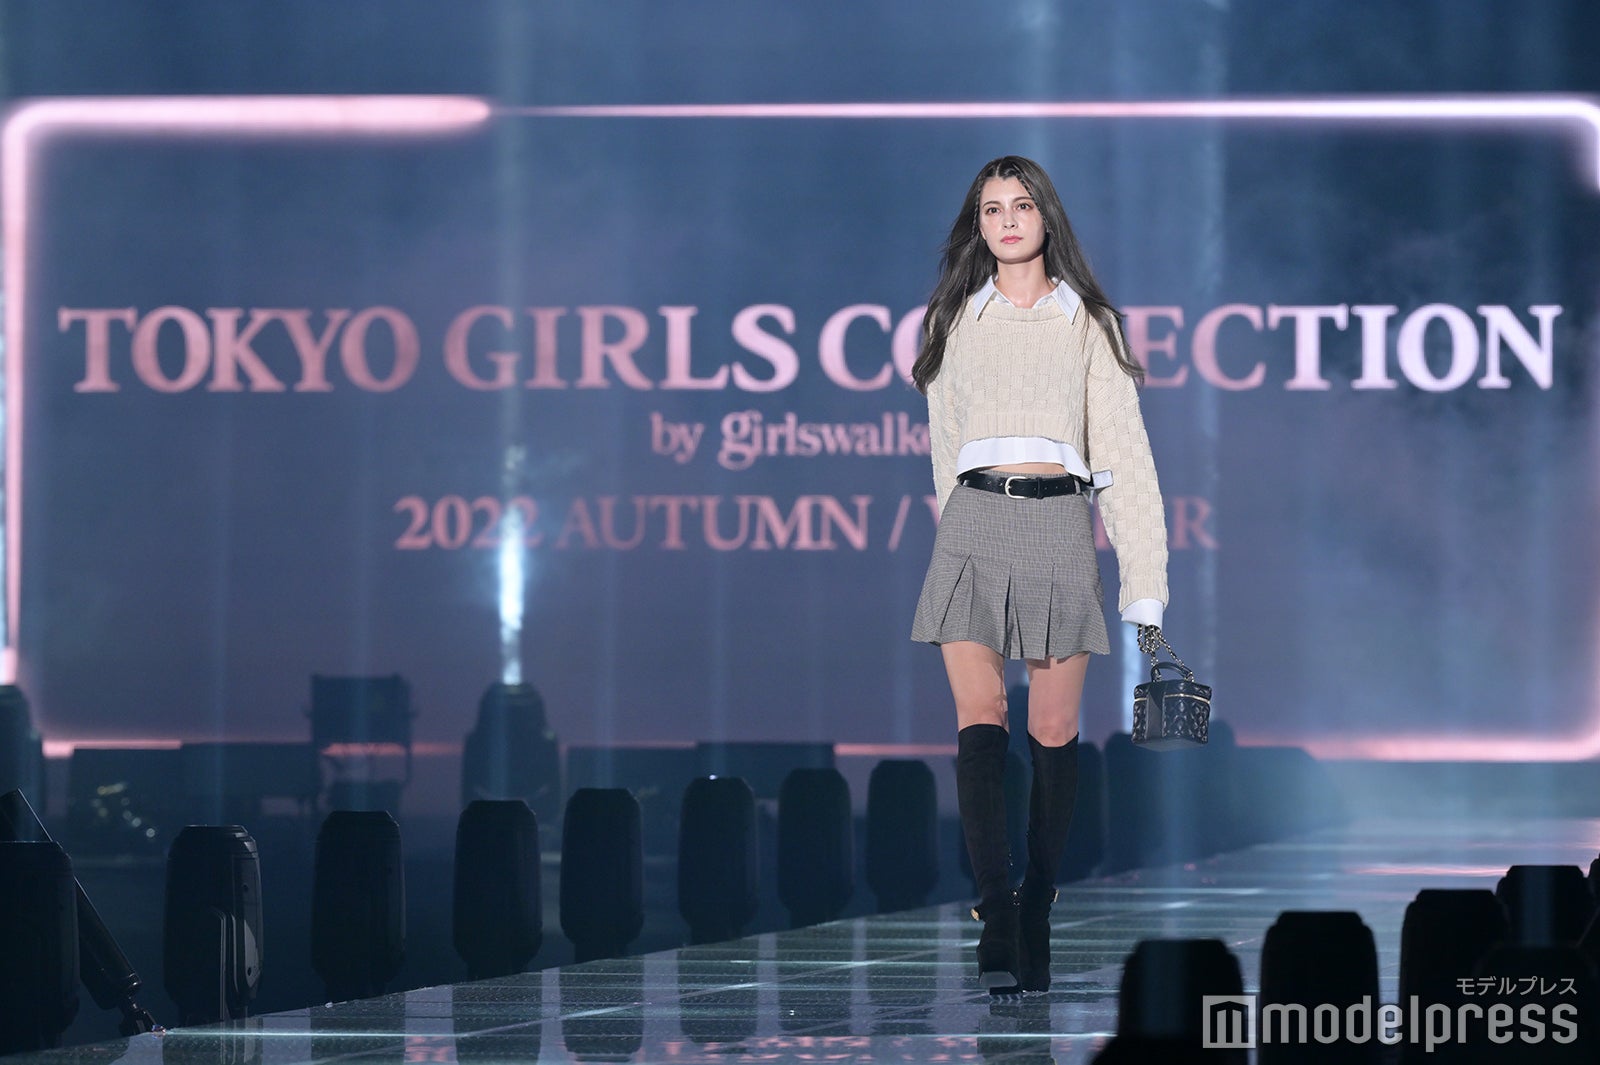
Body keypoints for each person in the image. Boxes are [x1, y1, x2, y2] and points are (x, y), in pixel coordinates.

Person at [910, 155, 1168, 993]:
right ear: (978, 224)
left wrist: (1145, 584)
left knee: (1053, 729)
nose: (1008, 221)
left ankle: (1039, 904)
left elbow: (1126, 458)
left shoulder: (1088, 322)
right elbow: (944, 449)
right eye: (992, 209)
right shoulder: (954, 319)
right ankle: (996, 907)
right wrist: (958, 527)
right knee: (979, 715)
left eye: (1021, 205)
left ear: (1046, 216)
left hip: (1060, 520)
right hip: (975, 519)